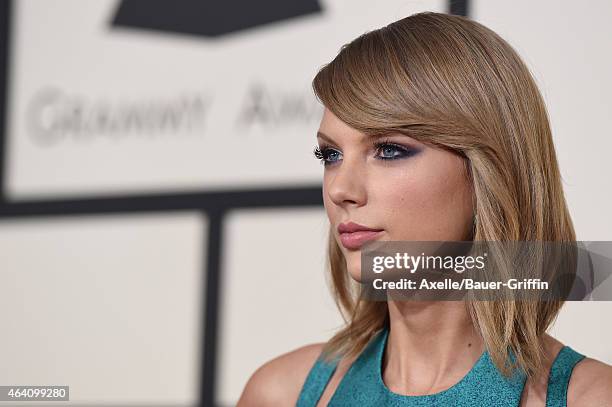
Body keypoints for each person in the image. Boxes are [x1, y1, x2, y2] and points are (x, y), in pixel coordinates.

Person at [237, 11, 612, 406]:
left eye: (388, 150)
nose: (341, 189)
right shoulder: (282, 392)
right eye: (330, 154)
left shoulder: (590, 397)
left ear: (490, 170)